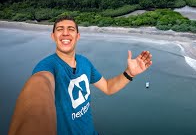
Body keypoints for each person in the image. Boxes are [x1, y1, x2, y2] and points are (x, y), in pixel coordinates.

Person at [9, 15, 152, 134]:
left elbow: (108, 87)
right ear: (53, 36)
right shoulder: (47, 67)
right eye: (60, 29)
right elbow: (39, 89)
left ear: (77, 36)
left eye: (70, 29)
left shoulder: (85, 63)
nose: (65, 33)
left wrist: (129, 73)